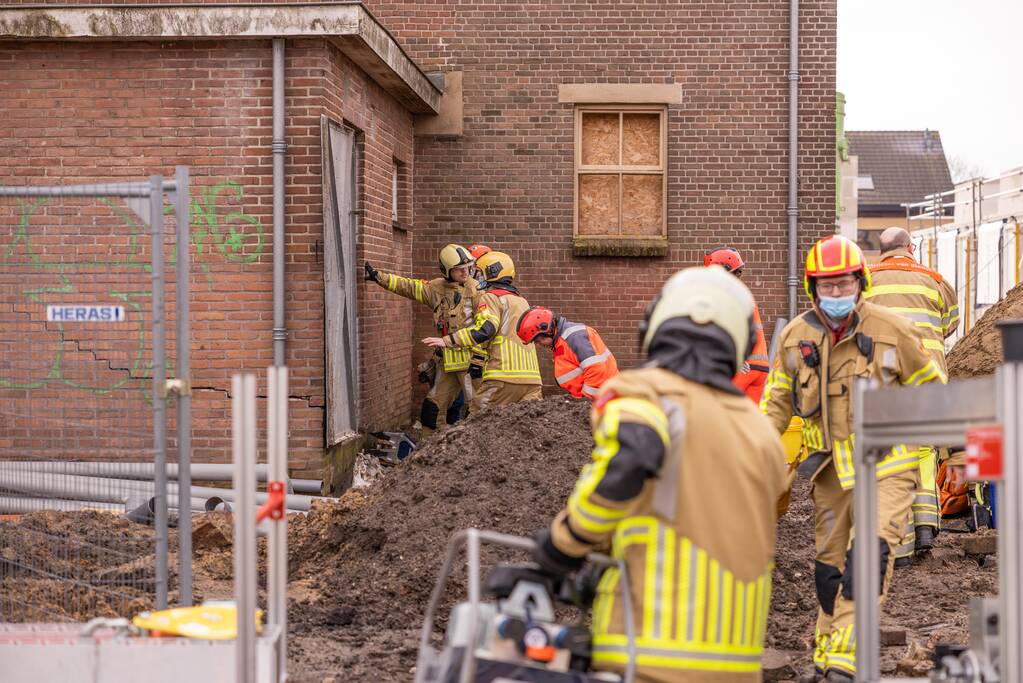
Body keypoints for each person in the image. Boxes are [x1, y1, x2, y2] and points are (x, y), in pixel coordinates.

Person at [532, 266, 788, 683]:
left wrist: (562, 545)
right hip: (737, 667)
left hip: (648, 653)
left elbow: (630, 460)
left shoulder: (643, 392)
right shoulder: (762, 433)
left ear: (654, 327)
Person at [760, 235, 947, 682]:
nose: (837, 293)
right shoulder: (795, 338)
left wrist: (927, 438)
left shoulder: (892, 330)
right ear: (813, 288)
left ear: (860, 283)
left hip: (887, 465)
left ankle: (846, 657)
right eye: (828, 286)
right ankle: (827, 650)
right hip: (829, 473)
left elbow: (933, 389)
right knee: (830, 569)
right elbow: (775, 406)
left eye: (845, 284)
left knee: (870, 554)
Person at [863, 226, 960, 563]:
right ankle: (926, 525)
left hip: (884, 380)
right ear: (910, 248)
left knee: (892, 454)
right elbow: (949, 325)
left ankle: (899, 535)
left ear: (881, 250)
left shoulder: (866, 280)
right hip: (928, 379)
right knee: (923, 449)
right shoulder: (936, 281)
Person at [364, 244, 478, 437]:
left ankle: (481, 452)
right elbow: (409, 286)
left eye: (467, 268)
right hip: (448, 363)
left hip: (472, 363)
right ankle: (429, 450)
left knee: (478, 411)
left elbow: (486, 326)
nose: (465, 272)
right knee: (431, 411)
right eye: (459, 269)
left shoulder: (478, 291)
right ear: (446, 270)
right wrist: (379, 277)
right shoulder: (436, 289)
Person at [423, 250, 542, 411]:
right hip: (532, 379)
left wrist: (448, 340)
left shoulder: (491, 297)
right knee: (523, 422)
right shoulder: (522, 301)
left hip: (503, 376)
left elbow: (485, 330)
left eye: (479, 273)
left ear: (491, 272)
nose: (476, 277)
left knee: (479, 417)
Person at [704, 246, 770, 402]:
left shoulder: (727, 296)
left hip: (742, 367)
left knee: (717, 406)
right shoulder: (743, 295)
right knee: (749, 415)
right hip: (760, 367)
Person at [515, 306, 618, 400]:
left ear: (548, 330)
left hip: (603, 400)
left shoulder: (574, 337)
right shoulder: (561, 341)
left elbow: (596, 369)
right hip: (599, 399)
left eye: (539, 340)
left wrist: (586, 401)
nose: (540, 344)